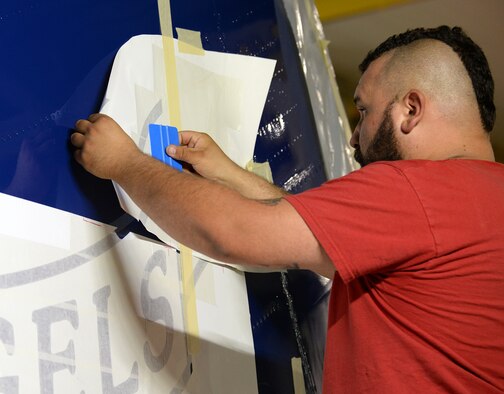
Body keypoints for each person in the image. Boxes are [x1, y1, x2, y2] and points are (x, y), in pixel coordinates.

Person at [71, 26, 504, 392]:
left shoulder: (421, 190)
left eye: (365, 112)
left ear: (410, 109)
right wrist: (228, 174)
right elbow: (326, 234)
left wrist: (124, 162)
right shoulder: (482, 204)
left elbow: (236, 233)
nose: (354, 139)